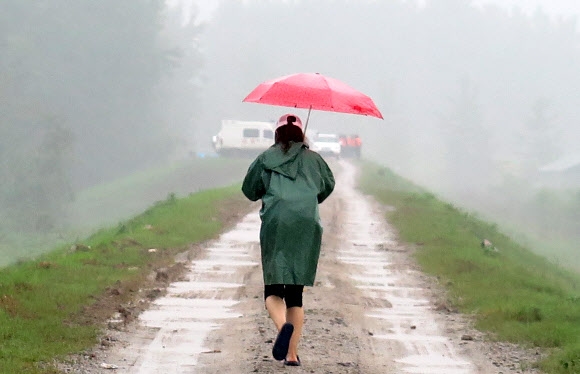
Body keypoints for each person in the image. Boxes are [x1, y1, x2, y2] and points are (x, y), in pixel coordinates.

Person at [241, 113, 335, 367]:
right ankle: (292, 355)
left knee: (273, 288)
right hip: (306, 223)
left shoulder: (265, 159)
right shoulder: (315, 160)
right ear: (301, 135)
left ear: (277, 134)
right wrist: (307, 201)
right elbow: (327, 185)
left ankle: (283, 327)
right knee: (296, 293)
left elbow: (249, 190)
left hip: (276, 222)